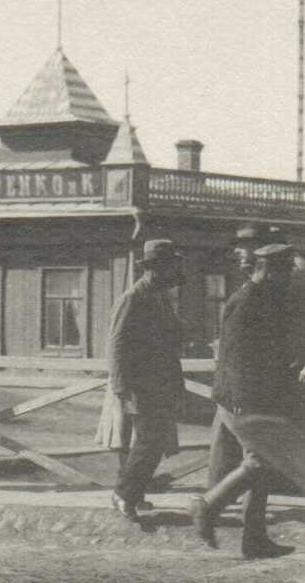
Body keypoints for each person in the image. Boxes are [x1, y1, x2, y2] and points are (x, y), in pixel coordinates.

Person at [189, 245, 300, 559]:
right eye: (284, 271)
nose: (289, 277)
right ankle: (207, 507)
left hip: (251, 398)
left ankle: (254, 539)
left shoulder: (264, 298)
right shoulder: (249, 301)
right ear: (266, 269)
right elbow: (236, 355)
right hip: (243, 400)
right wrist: (243, 401)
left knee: (261, 465)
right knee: (259, 462)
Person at [106, 238, 186, 521]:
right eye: (170, 265)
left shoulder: (161, 296)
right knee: (150, 440)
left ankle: (134, 494)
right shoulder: (133, 297)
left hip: (161, 382)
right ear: (155, 267)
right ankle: (123, 494)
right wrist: (119, 386)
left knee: (154, 440)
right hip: (140, 384)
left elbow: (172, 334)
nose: (174, 271)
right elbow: (116, 343)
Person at [205, 223, 283, 495]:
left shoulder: (263, 290)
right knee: (254, 456)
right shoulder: (249, 293)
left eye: (244, 246)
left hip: (236, 388)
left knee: (232, 450)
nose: (238, 251)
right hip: (238, 390)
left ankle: (214, 507)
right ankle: (211, 507)